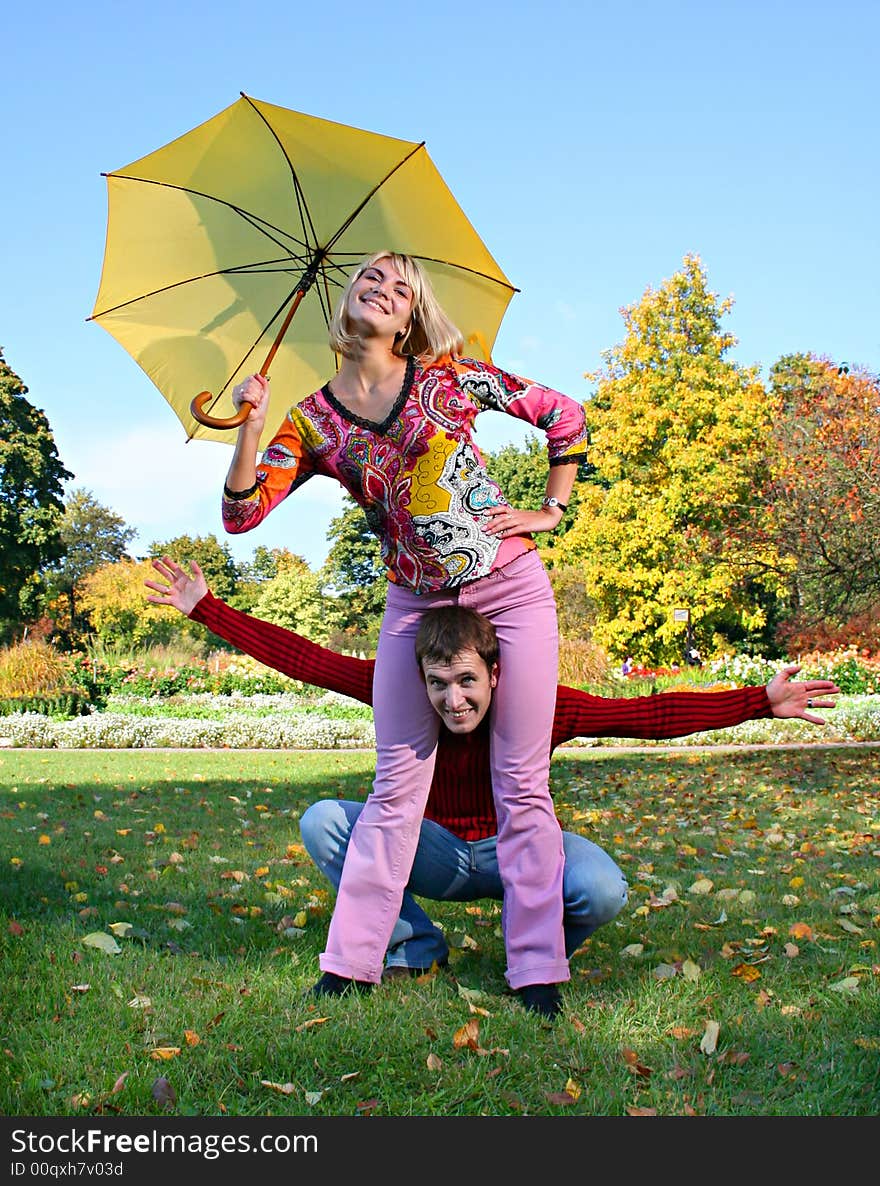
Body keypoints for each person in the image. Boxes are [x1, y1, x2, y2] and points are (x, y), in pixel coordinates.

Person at [145, 556, 841, 987]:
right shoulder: (402, 693)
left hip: (520, 853)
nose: (454, 700)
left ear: (496, 671)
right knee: (325, 820)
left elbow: (646, 715)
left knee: (601, 887)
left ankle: (528, 952)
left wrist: (758, 702)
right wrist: (207, 609)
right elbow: (305, 659)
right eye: (439, 684)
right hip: (436, 850)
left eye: (468, 682)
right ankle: (417, 945)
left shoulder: (540, 707)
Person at [220, 252, 589, 1016]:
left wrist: (551, 510)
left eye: (401, 287)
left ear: (412, 316)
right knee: (396, 784)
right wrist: (250, 428)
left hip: (509, 587)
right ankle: (351, 964)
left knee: (521, 783)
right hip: (415, 604)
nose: (383, 290)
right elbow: (241, 514)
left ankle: (537, 975)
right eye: (371, 279)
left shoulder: (449, 378)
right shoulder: (311, 421)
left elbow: (564, 415)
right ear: (347, 300)